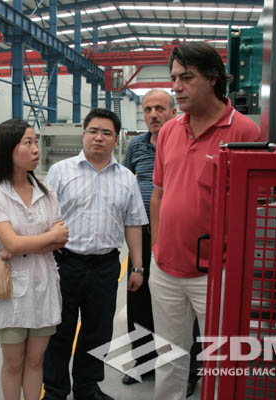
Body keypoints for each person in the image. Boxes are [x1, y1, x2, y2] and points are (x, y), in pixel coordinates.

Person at [150, 42, 260, 400]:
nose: (176, 87)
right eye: (174, 79)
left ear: (213, 79)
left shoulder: (244, 131)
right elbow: (159, 193)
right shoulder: (169, 131)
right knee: (168, 356)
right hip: (165, 268)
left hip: (217, 271)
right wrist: (156, 249)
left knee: (220, 359)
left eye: (186, 78)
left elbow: (255, 207)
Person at [42, 109, 148, 400]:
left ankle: (87, 388)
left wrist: (137, 267)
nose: (98, 137)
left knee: (98, 332)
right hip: (65, 264)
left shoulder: (126, 178)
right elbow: (43, 218)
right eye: (93, 131)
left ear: (116, 139)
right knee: (58, 331)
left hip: (105, 267)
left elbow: (134, 224)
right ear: (84, 134)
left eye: (106, 133)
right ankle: (55, 390)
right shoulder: (60, 172)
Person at [0, 118, 68, 400]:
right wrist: (42, 239)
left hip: (44, 287)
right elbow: (13, 243)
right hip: (11, 292)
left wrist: (21, 246)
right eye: (27, 142)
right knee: (14, 363)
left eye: (35, 141)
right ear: (8, 149)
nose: (35, 148)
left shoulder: (48, 192)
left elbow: (61, 238)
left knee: (35, 361)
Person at [120, 89, 176, 384]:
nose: (153, 115)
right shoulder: (136, 146)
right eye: (148, 109)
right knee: (139, 299)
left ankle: (182, 369)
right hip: (141, 234)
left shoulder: (181, 143)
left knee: (176, 303)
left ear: (173, 112)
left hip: (175, 235)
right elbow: (125, 181)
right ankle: (144, 364)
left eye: (160, 108)